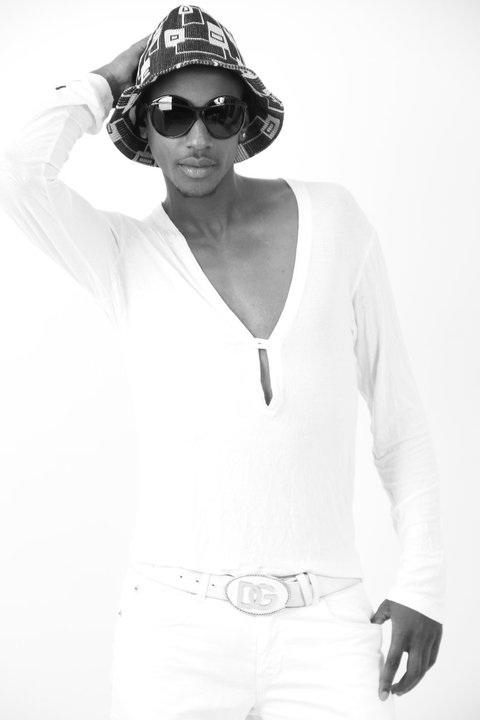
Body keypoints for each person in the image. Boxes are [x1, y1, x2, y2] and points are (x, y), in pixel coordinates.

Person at [0, 5, 445, 719]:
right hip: (174, 631)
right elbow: (19, 173)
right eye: (172, 113)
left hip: (328, 625)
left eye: (220, 113)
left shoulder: (336, 222)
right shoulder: (122, 257)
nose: (198, 137)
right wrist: (110, 77)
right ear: (143, 127)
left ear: (246, 123)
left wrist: (421, 582)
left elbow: (400, 421)